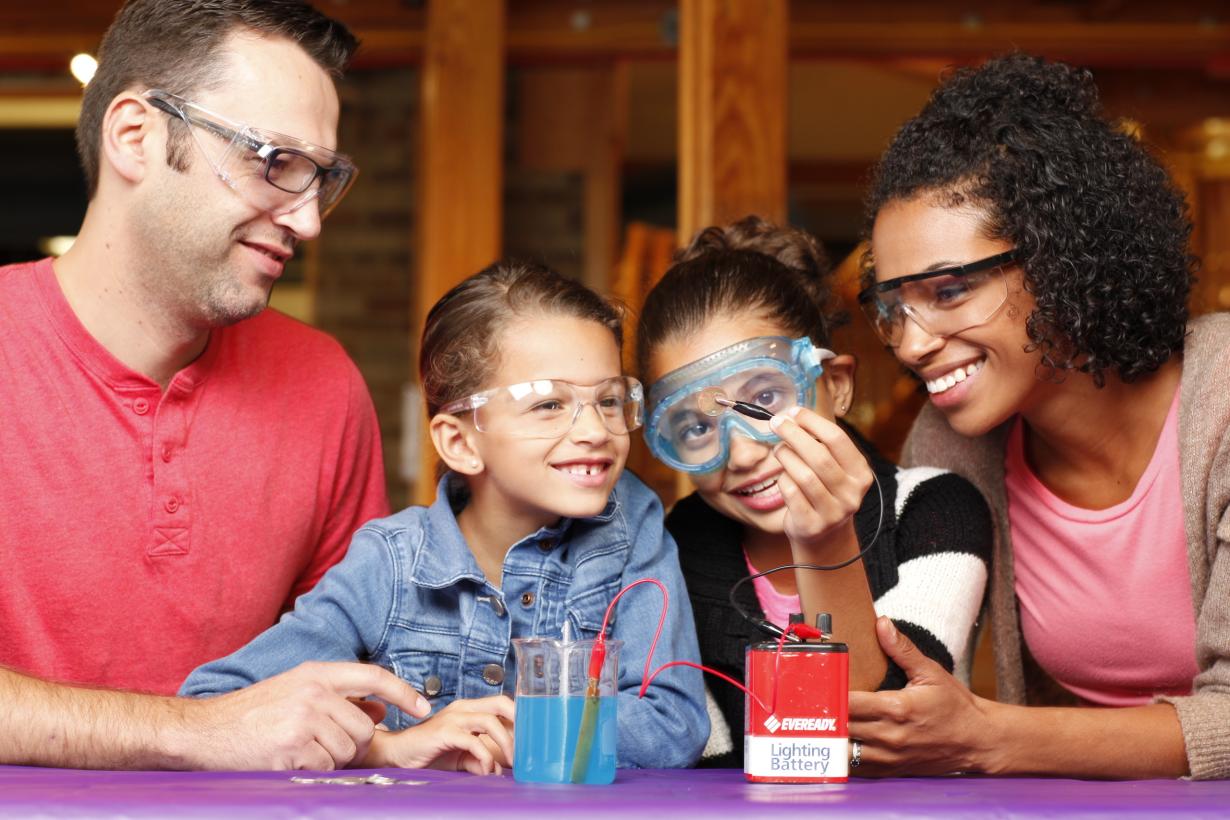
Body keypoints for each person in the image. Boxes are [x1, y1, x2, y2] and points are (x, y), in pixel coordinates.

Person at [0, 0, 430, 770]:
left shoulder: (323, 385)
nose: (308, 221)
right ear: (136, 136)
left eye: (322, 178)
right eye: (276, 162)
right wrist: (196, 732)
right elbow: (232, 728)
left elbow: (350, 679)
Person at [851, 53, 1230, 780]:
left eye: (952, 290)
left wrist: (993, 737)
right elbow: (905, 686)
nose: (911, 342)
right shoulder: (953, 444)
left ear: (1062, 261)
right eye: (894, 308)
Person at [182, 261, 709, 772]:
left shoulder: (630, 527)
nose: (597, 430)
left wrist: (516, 729)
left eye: (610, 400)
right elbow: (218, 703)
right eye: (549, 405)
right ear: (459, 443)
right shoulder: (389, 562)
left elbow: (673, 724)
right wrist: (387, 748)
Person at [635, 216, 992, 767]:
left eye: (765, 399)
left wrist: (825, 539)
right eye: (696, 427)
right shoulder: (668, 549)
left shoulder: (937, 509)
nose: (745, 452)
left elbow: (883, 730)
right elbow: (698, 752)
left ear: (837, 385)